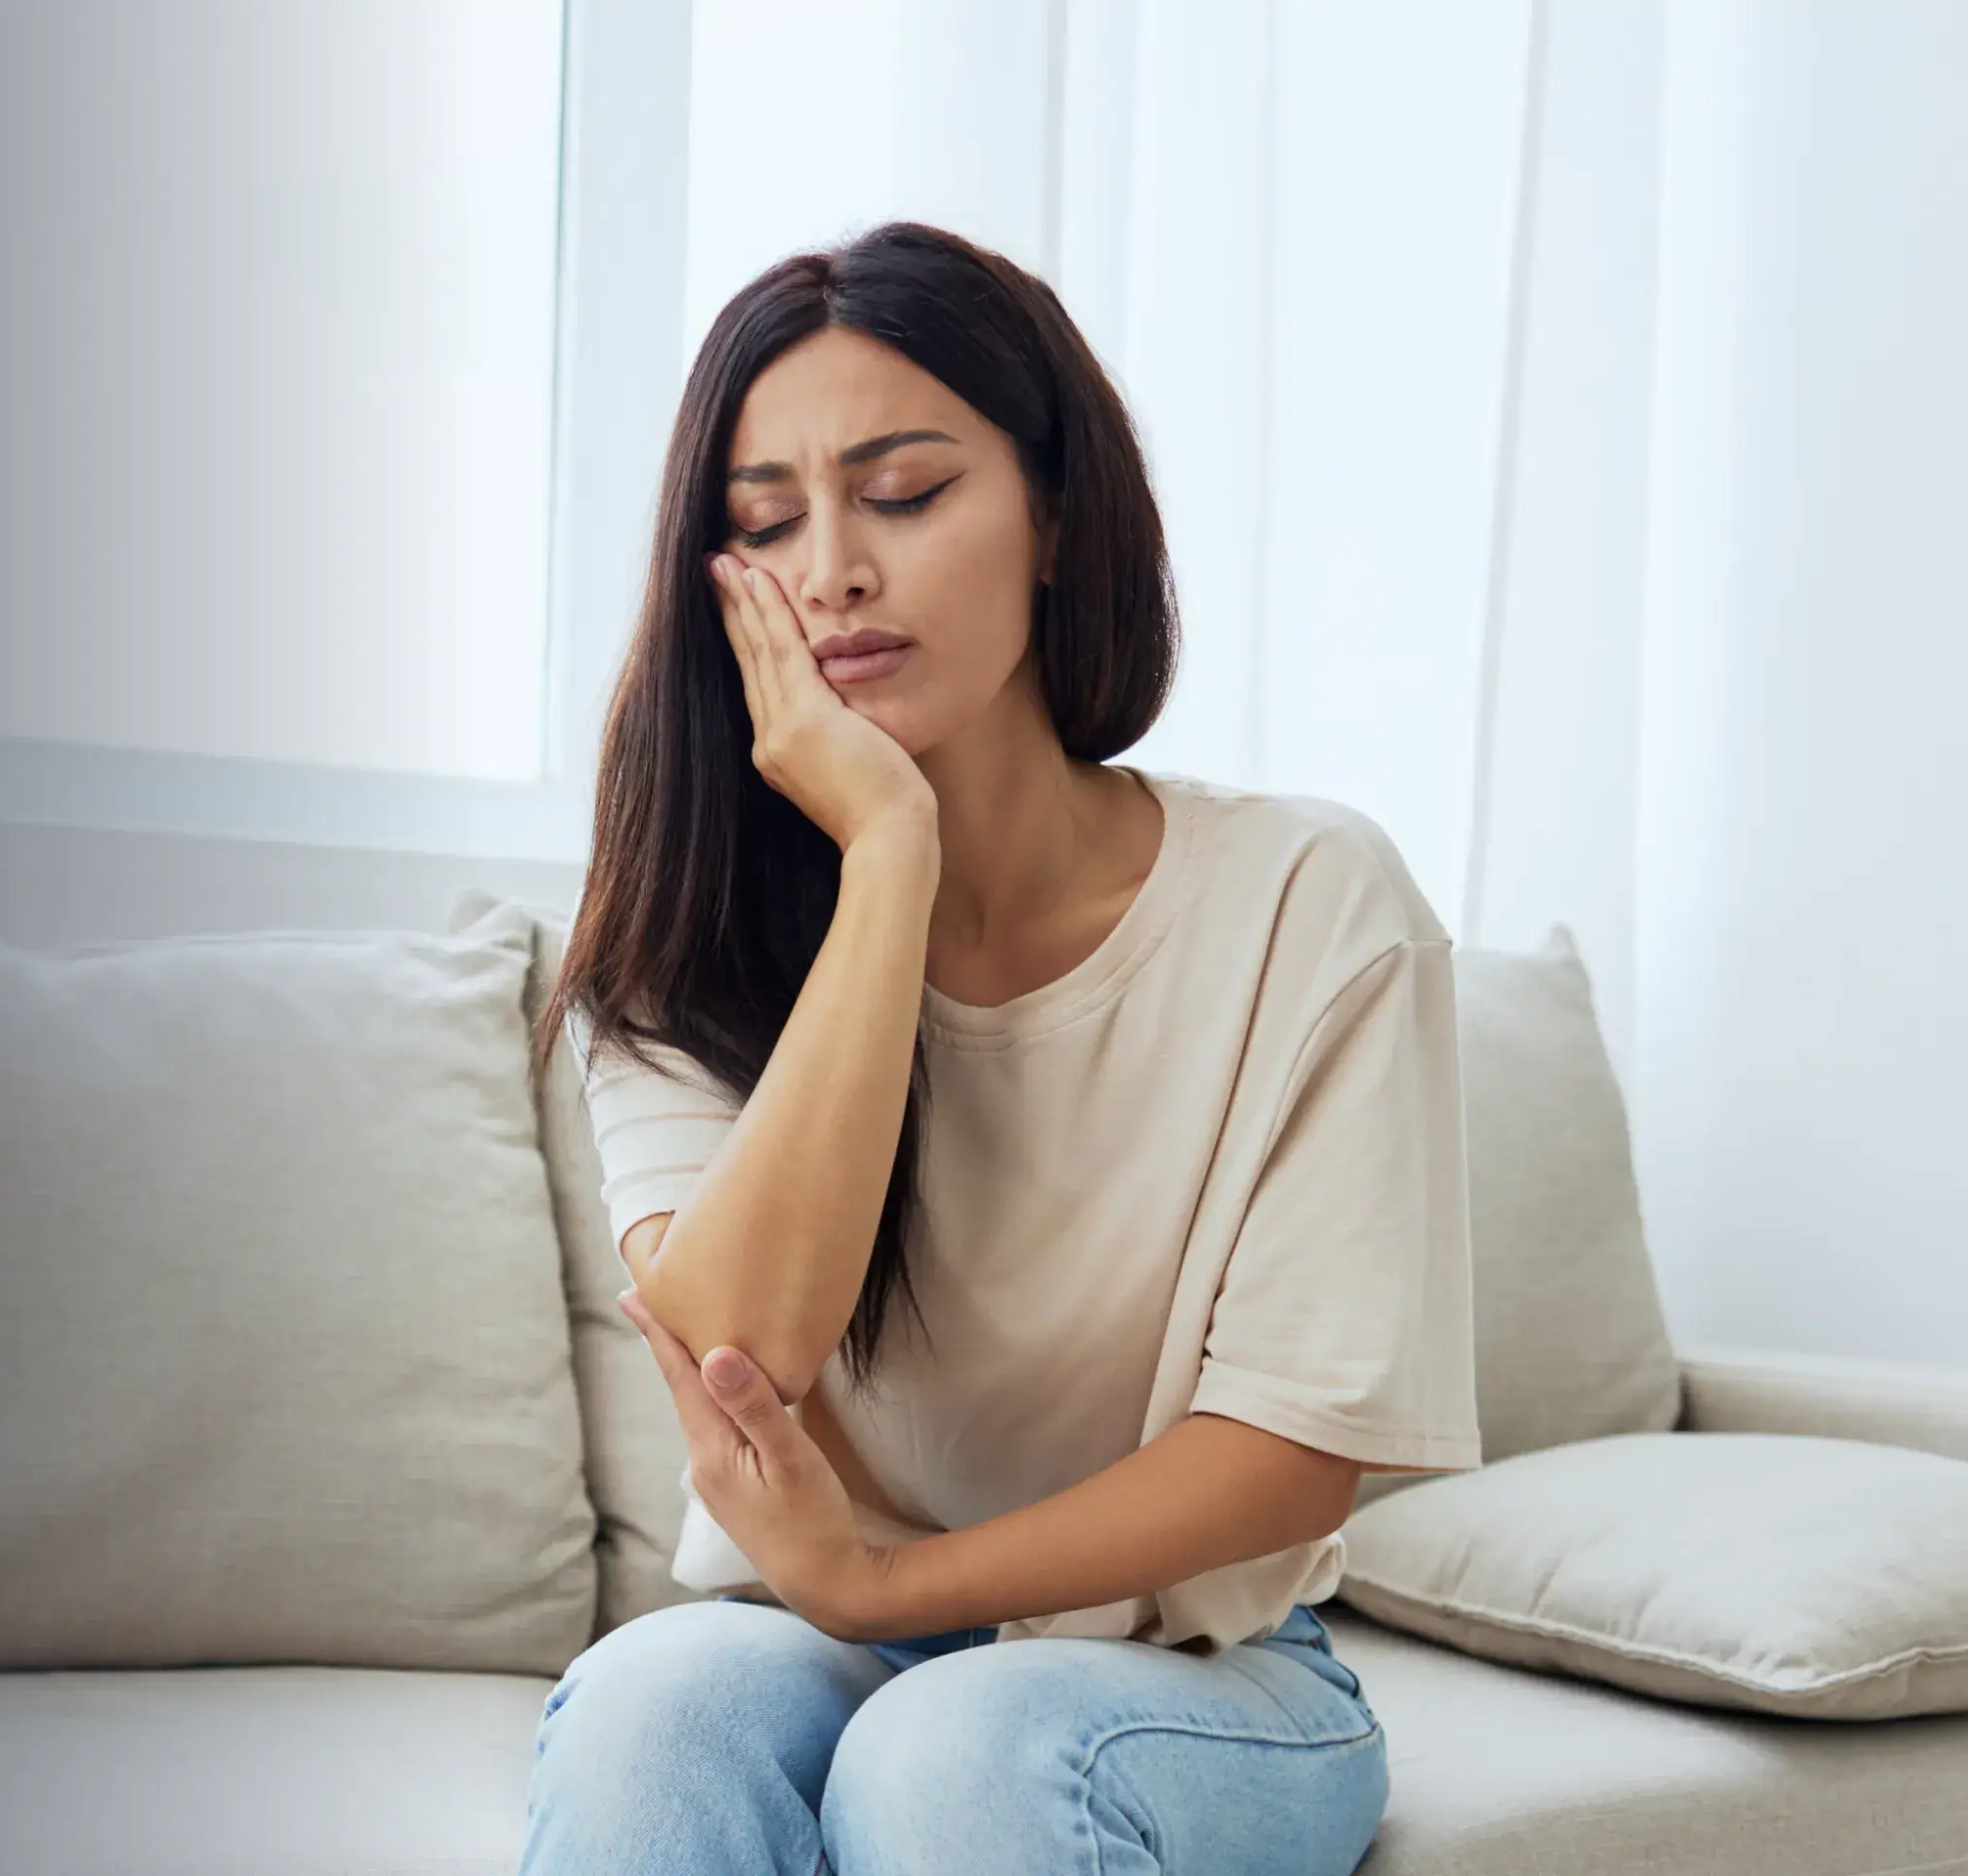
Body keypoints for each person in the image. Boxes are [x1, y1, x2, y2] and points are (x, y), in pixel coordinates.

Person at [521, 221, 1481, 1875]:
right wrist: (889, 857)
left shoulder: (1313, 901)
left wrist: (895, 1586)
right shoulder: (686, 937)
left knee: (954, 1756)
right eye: (767, 524)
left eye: (904, 493)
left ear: (1052, 515)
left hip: (1204, 1675)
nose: (831, 570)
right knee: (645, 1711)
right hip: (813, 1639)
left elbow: (1294, 1453)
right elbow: (745, 1345)